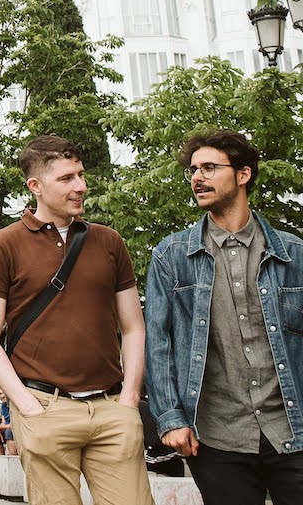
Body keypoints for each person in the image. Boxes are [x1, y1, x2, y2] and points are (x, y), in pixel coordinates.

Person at [0, 135, 152, 505]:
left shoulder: (109, 241)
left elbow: (133, 326)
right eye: (67, 178)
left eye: (81, 175)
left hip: (111, 409)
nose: (81, 186)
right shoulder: (3, 245)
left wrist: (131, 397)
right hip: (44, 406)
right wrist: (25, 405)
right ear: (35, 186)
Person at [145, 129, 303, 503]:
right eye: (193, 170)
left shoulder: (295, 254)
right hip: (217, 439)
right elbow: (158, 343)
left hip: (294, 431)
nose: (198, 177)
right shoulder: (171, 257)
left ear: (243, 174)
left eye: (210, 168)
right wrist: (170, 418)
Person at [0, 391, 16, 455]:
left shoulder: (14, 404)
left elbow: (16, 424)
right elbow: (3, 422)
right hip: (8, 427)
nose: (2, 396)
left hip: (15, 428)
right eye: (0, 394)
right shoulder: (3, 406)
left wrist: (2, 427)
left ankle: (13, 458)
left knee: (8, 432)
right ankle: (2, 461)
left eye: (4, 393)